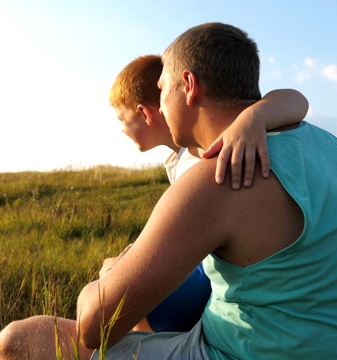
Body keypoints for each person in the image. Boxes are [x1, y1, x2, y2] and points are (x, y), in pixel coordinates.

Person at [0, 22, 337, 360]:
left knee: (20, 342)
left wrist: (108, 274)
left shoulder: (220, 177)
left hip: (235, 352)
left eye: (162, 89)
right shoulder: (329, 146)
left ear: (188, 86)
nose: (159, 102)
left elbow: (96, 324)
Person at [108, 54, 309, 334]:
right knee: (118, 278)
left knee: (112, 283)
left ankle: (147, 342)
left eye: (122, 118)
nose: (121, 129)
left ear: (144, 113)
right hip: (207, 267)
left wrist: (253, 117)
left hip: (212, 278)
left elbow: (296, 99)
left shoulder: (206, 147)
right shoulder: (181, 157)